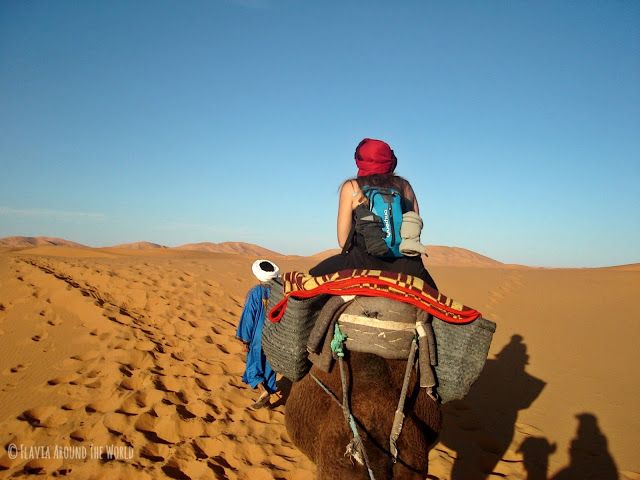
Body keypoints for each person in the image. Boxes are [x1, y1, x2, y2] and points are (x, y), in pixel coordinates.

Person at [309, 137, 437, 290]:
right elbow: (414, 229)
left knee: (308, 283)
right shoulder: (404, 187)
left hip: (360, 263)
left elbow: (343, 241)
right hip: (407, 267)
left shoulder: (352, 187)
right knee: (440, 306)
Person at [236, 259, 280, 409]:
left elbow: (249, 317)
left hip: (258, 336)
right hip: (275, 335)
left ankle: (262, 391)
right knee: (269, 366)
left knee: (254, 364)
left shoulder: (256, 292)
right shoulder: (279, 291)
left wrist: (245, 339)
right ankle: (267, 403)